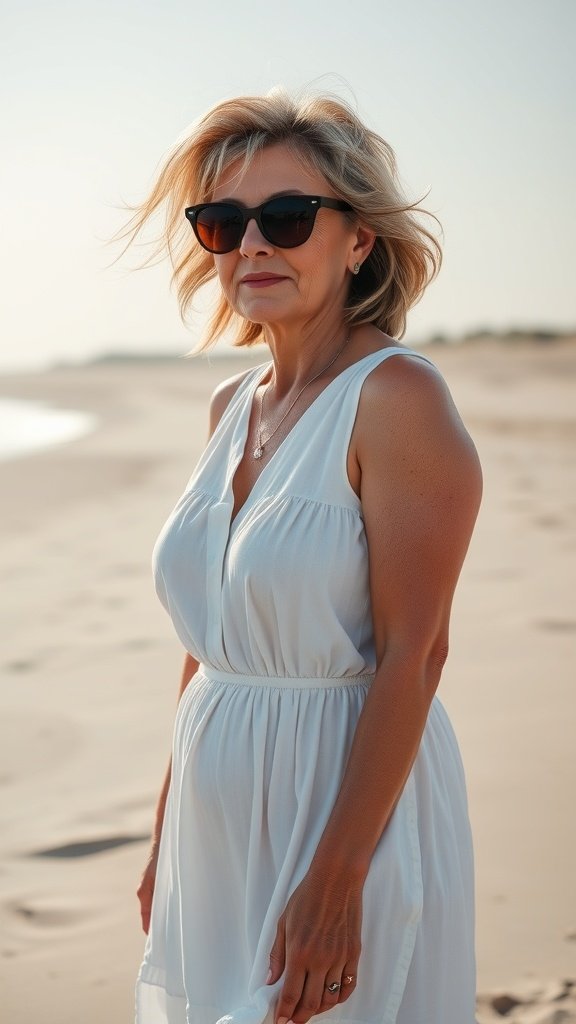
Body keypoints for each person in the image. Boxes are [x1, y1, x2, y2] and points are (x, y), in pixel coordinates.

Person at [120, 88, 483, 1024]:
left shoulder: (395, 399)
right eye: (222, 222)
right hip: (216, 818)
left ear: (358, 240)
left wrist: (337, 878)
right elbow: (210, 643)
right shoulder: (230, 405)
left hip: (341, 810)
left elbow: (416, 655)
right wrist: (166, 830)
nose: (252, 245)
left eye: (286, 216)